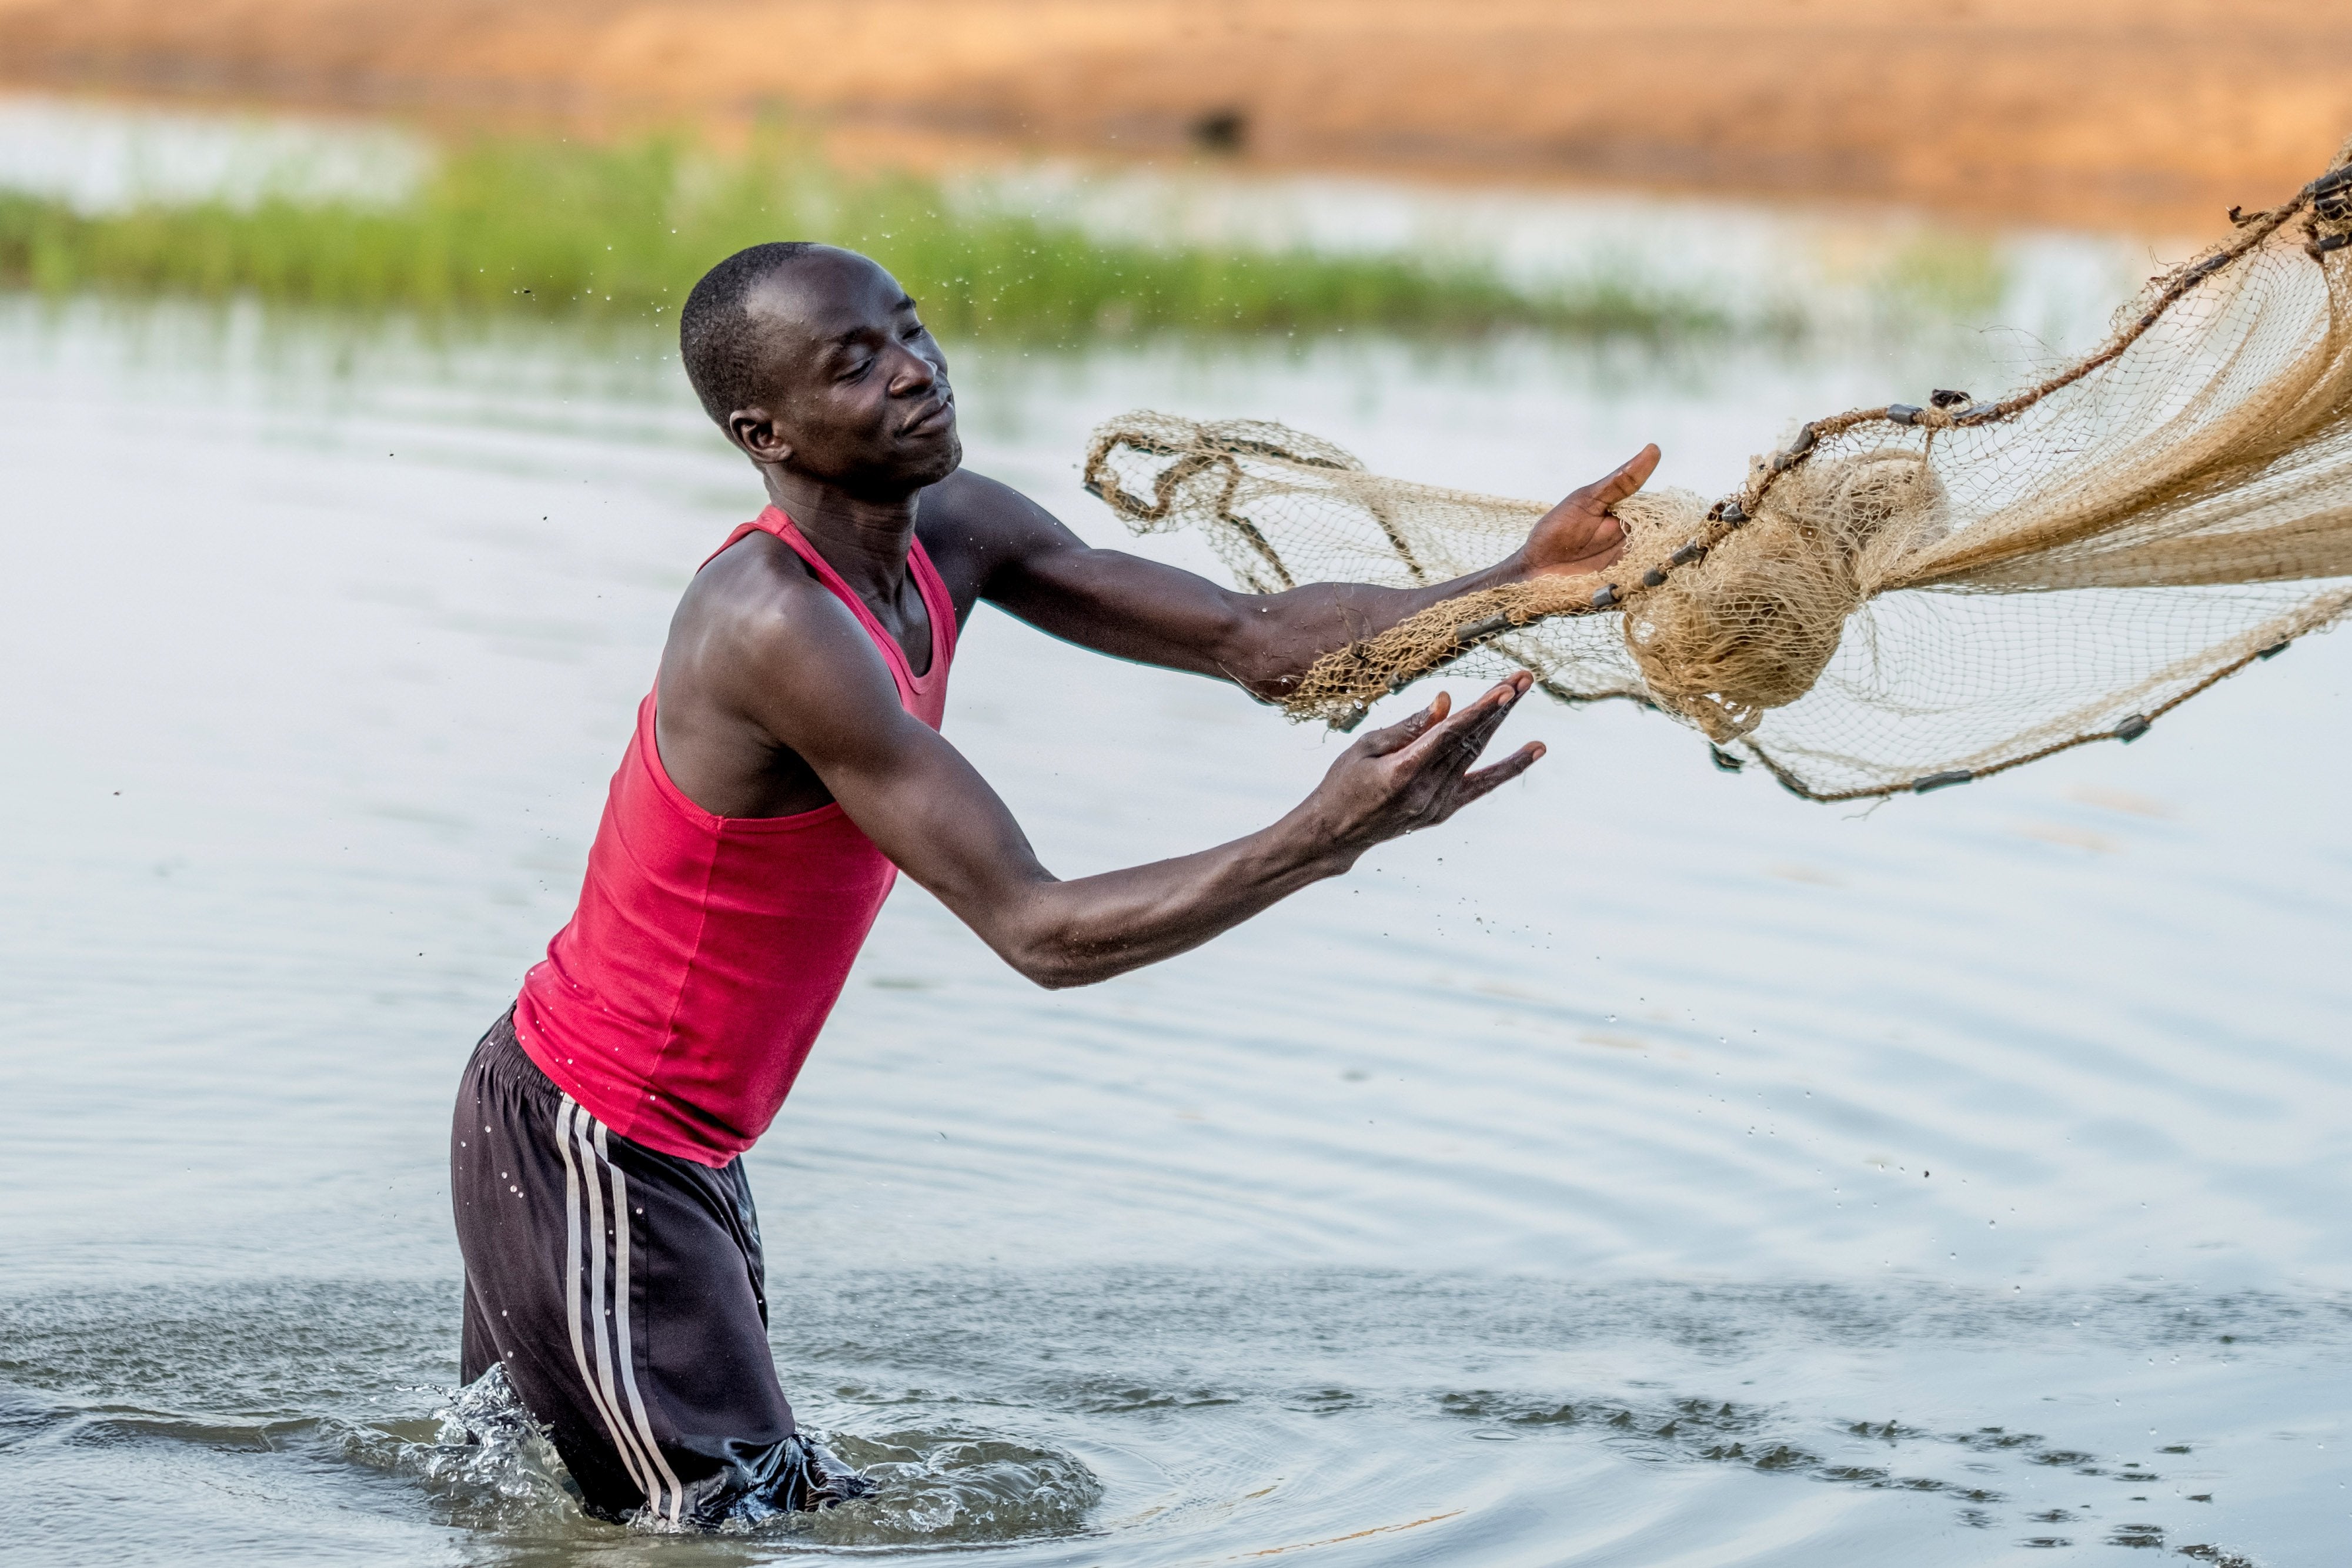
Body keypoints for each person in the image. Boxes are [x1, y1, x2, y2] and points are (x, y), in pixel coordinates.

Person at [450, 240, 1661, 1527]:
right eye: (854, 365)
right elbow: (1038, 928)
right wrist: (1320, 836)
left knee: (639, 1511)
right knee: (728, 1522)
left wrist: (1520, 583)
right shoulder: (774, 625)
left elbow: (1257, 644)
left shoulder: (952, 528)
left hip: (660, 1145)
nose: (914, 372)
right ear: (768, 432)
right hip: (597, 1142)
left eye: (909, 331)